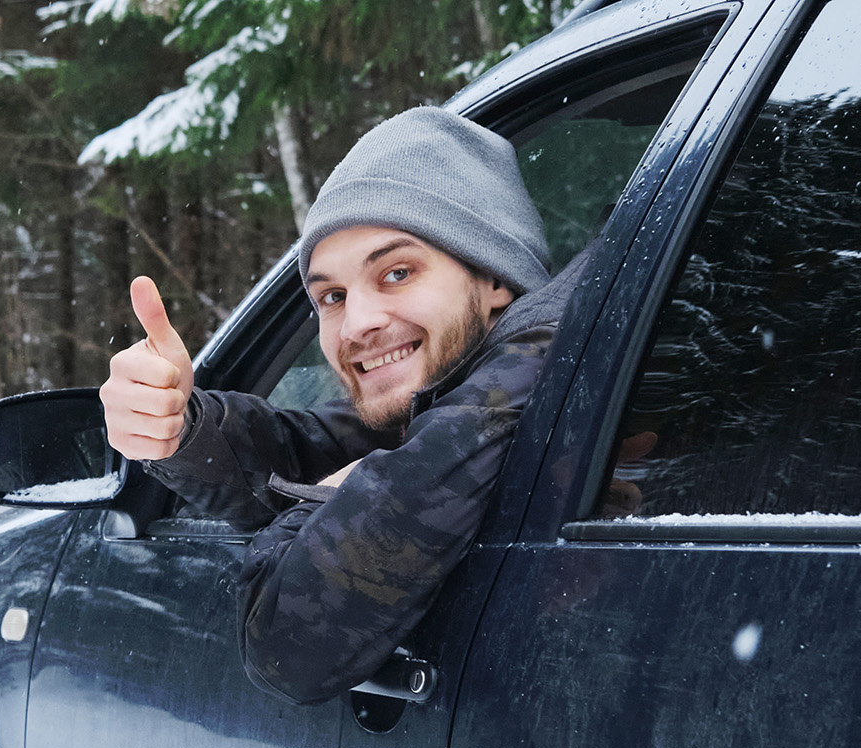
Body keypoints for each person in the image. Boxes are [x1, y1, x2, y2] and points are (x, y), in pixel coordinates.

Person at [101, 106, 581, 705]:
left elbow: (286, 641)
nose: (356, 323)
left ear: (495, 278)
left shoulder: (535, 372)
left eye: (397, 272)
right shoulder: (486, 380)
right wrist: (180, 425)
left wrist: (336, 496)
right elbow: (321, 450)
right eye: (331, 295)